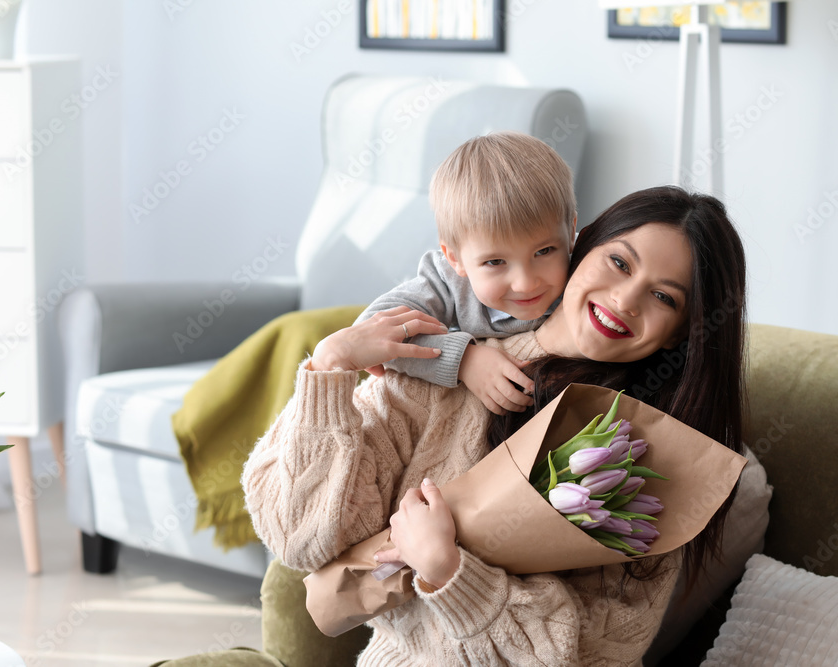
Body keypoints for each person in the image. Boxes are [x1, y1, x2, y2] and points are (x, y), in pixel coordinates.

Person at [239, 185, 748, 666]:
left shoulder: (654, 464)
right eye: (619, 262)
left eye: (665, 298)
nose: (626, 299)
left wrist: (451, 572)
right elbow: (302, 538)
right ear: (580, 244)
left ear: (683, 333)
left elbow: (602, 654)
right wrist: (327, 374)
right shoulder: (437, 370)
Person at [355, 131, 578, 415]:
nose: (525, 283)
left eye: (544, 251)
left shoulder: (591, 265)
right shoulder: (447, 283)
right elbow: (371, 332)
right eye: (496, 262)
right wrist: (465, 360)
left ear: (570, 233)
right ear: (455, 259)